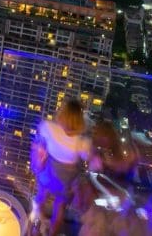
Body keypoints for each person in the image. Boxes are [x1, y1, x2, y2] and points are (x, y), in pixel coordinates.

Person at [30, 99, 90, 236]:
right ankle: (52, 233)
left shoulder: (49, 128)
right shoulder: (82, 142)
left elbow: (40, 139)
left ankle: (39, 223)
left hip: (48, 175)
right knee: (60, 206)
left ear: (62, 113)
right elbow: (87, 157)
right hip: (65, 183)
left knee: (41, 197)